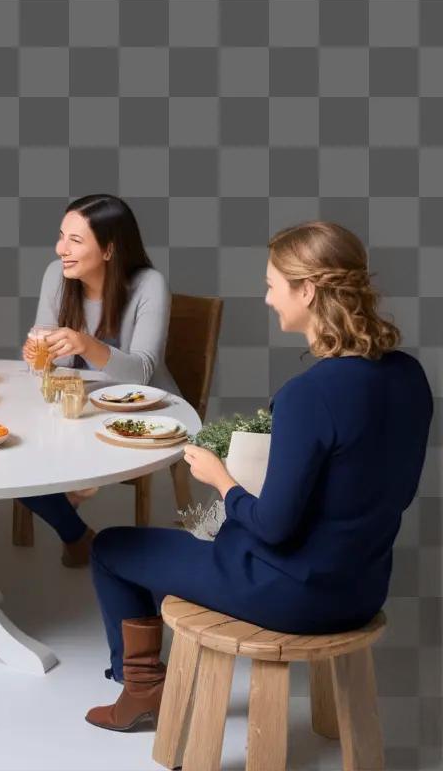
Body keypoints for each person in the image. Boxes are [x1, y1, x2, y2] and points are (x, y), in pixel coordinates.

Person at [84, 221, 432, 732]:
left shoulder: (307, 395)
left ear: (307, 290)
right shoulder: (409, 376)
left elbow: (273, 528)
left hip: (289, 593)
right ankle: (149, 689)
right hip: (363, 590)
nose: (268, 299)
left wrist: (222, 479)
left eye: (273, 285)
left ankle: (140, 692)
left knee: (111, 549)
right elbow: (393, 492)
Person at [18, 195, 178, 568]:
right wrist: (37, 355)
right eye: (61, 237)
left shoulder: (148, 284)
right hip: (78, 404)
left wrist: (85, 343)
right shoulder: (56, 276)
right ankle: (77, 533)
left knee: (49, 461)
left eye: (75, 241)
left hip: (146, 407)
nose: (61, 249)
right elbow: (48, 368)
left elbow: (142, 372)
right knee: (11, 455)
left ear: (108, 249)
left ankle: (73, 510)